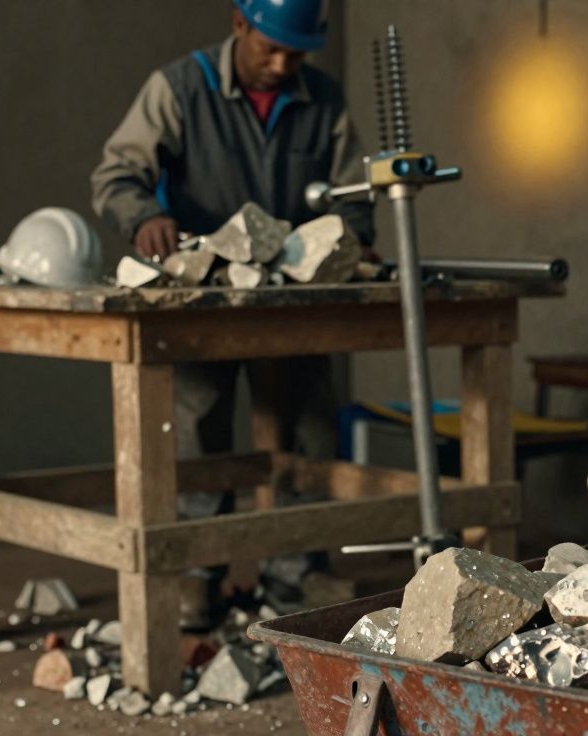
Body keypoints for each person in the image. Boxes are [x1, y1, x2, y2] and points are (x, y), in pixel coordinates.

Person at [90, 0, 374, 624]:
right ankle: (199, 575)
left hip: (295, 306)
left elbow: (355, 192)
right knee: (200, 429)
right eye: (269, 47)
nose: (280, 64)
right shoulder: (177, 89)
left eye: (294, 53)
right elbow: (116, 174)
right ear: (239, 25)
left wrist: (354, 237)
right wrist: (145, 218)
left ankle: (296, 576)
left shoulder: (322, 100)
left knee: (305, 431)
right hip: (207, 303)